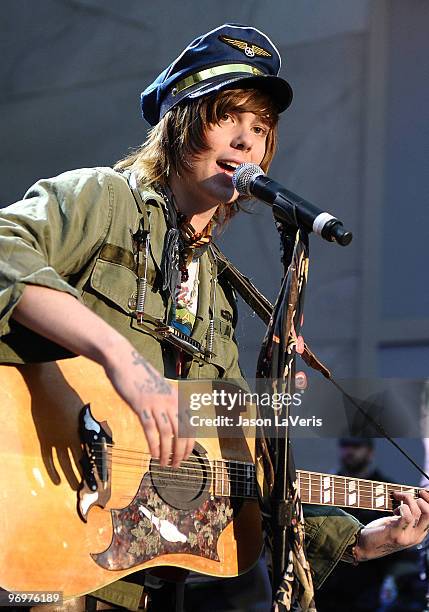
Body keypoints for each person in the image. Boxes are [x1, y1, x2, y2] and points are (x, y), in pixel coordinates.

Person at [1, 23, 429, 612]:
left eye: (260, 129)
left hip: (142, 584)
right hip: (43, 546)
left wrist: (364, 538)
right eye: (227, 115)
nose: (247, 141)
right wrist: (121, 359)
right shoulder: (102, 199)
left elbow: (239, 468)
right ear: (180, 119)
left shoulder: (219, 295)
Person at [316, 438, 426, 612]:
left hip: (368, 593)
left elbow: (400, 555)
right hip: (324, 588)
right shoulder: (322, 487)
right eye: (345, 446)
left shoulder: (389, 491)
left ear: (370, 451)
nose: (350, 451)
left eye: (356, 445)